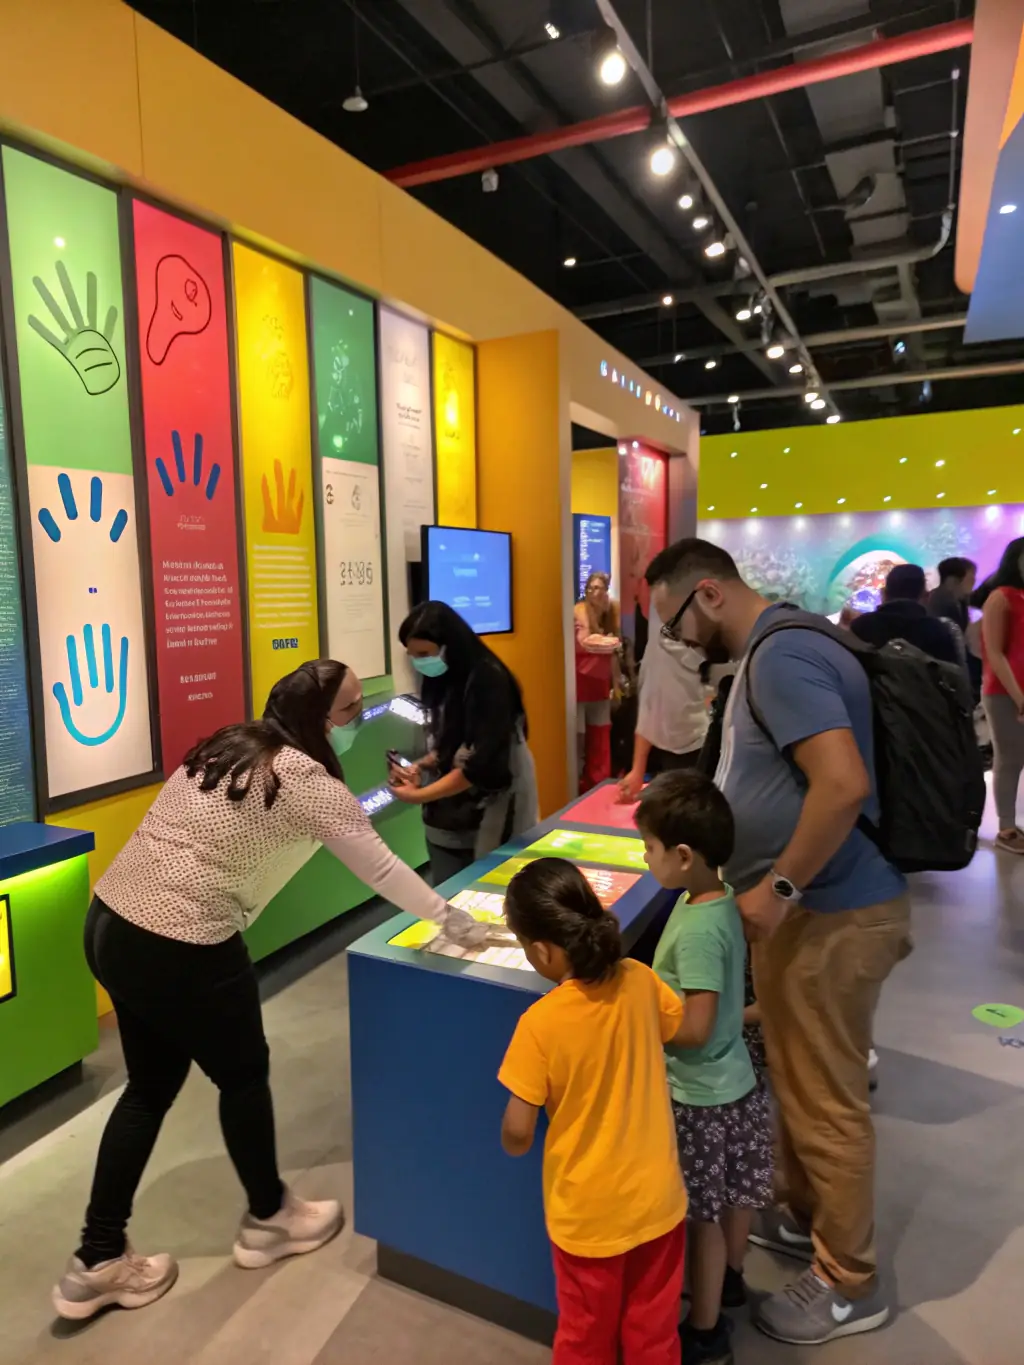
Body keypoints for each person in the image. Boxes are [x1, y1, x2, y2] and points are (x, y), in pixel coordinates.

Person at [53, 661, 460, 1322]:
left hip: (111, 921)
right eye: (351, 709)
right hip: (183, 936)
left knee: (150, 1086)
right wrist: (450, 919)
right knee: (243, 1073)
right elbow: (381, 865)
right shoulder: (307, 781)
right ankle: (269, 1217)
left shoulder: (230, 742)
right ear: (320, 718)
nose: (359, 719)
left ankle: (95, 1259)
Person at [646, 538, 911, 1347]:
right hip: (810, 915)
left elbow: (842, 782)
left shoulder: (782, 655)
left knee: (827, 1099)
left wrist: (781, 887)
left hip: (829, 913)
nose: (681, 640)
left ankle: (847, 1282)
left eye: (677, 622)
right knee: (797, 1078)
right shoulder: (778, 650)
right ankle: (805, 1217)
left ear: (711, 594)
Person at [498, 858, 688, 1365]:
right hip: (659, 1200)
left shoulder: (539, 1024)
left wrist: (514, 1143)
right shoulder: (640, 979)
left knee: (586, 1337)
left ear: (540, 950)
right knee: (654, 1331)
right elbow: (681, 1029)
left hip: (589, 1218)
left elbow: (518, 1128)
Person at [639, 772, 773, 1365]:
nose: (646, 858)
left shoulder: (693, 930)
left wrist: (641, 1022)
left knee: (702, 1219)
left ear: (683, 855)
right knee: (738, 1195)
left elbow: (692, 1028)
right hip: (738, 1080)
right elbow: (724, 1011)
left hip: (697, 1095)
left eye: (649, 847)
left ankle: (705, 1327)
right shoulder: (719, 901)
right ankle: (735, 1281)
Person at [392, 601, 538, 884]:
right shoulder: (444, 677)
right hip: (452, 813)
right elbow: (450, 740)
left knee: (492, 887)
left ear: (449, 646)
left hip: (494, 806)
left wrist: (418, 795)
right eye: (412, 656)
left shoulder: (488, 680)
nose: (418, 663)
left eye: (424, 654)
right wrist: (421, 766)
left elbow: (480, 766)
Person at [619, 593, 709, 802]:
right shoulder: (659, 640)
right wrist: (638, 769)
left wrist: (638, 769)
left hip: (694, 746)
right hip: (678, 748)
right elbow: (651, 702)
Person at [977, 537, 1024, 853]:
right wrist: (1020, 697)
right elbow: (995, 652)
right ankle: (1006, 828)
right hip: (1005, 693)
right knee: (1009, 759)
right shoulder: (1001, 598)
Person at [850, 563, 963, 665]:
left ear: (883, 593)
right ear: (925, 596)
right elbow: (953, 679)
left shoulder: (861, 626)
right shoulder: (938, 630)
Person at [574, 571, 621, 791]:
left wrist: (617, 686)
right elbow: (585, 642)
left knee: (601, 740)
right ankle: (576, 789)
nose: (595, 592)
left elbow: (613, 655)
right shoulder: (580, 610)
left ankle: (599, 787)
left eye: (599, 588)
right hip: (580, 685)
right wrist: (612, 642)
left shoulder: (610, 610)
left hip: (599, 685)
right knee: (579, 741)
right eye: (591, 588)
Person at [928, 555, 976, 632]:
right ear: (952, 580)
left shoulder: (961, 602)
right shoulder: (939, 603)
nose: (974, 581)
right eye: (971, 576)